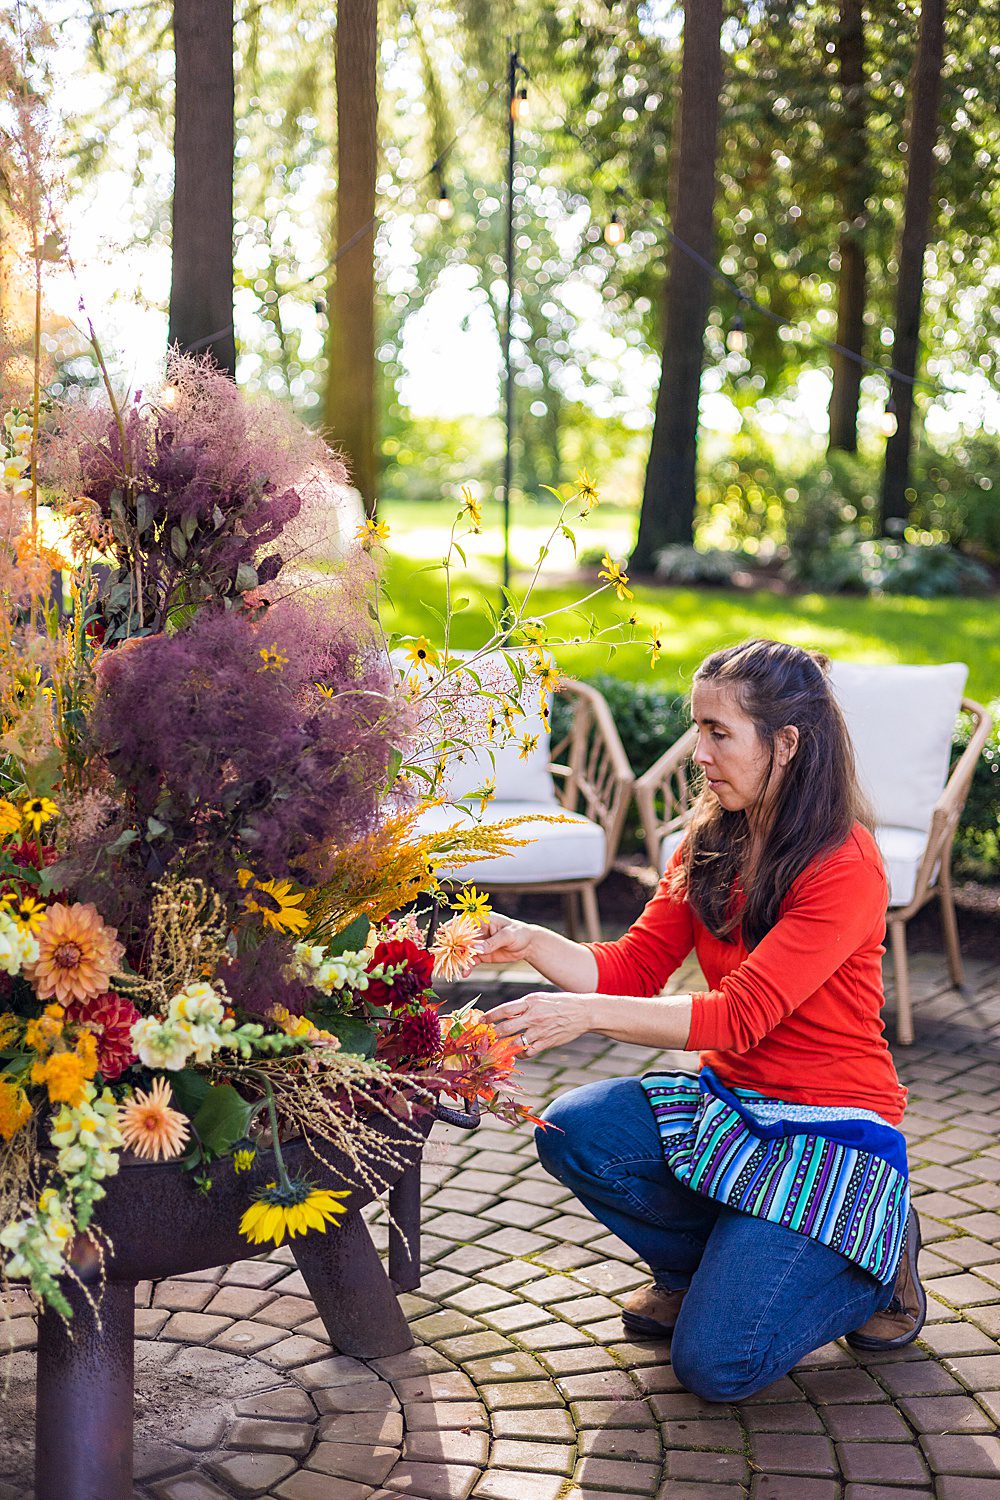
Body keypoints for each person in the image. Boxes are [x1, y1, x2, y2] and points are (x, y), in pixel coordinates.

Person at [471, 638, 925, 1403]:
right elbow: (635, 966)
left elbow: (740, 1015)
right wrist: (535, 942)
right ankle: (697, 1272)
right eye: (698, 728)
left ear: (786, 743)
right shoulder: (710, 840)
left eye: (720, 732)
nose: (700, 751)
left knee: (717, 1366)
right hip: (735, 1110)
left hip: (832, 1129)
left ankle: (879, 1256)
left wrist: (583, 1014)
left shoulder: (844, 862)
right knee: (576, 1129)